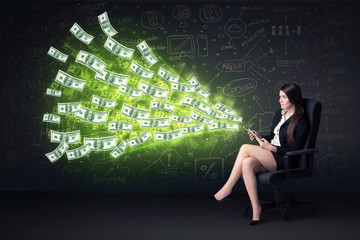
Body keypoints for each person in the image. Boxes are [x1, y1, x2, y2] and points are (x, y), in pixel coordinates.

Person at [208, 83, 309, 225]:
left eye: (284, 97)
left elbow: (295, 148)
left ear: (293, 98)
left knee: (244, 148)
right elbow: (275, 137)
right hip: (271, 154)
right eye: (279, 96)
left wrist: (271, 148)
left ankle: (227, 190)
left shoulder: (301, 121)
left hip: (284, 159)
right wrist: (259, 136)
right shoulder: (279, 114)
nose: (280, 100)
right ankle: (256, 207)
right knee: (247, 163)